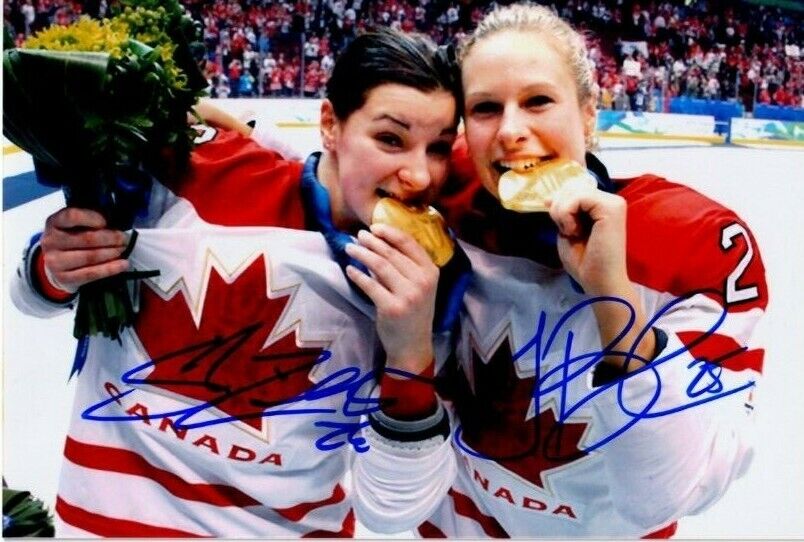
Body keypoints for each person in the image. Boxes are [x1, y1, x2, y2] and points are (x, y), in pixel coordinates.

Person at [10, 28, 463, 537]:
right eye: (390, 139)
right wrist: (53, 268)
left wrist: (409, 358)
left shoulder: (431, 283)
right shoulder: (194, 168)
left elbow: (393, 509)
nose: (420, 175)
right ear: (331, 124)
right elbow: (36, 289)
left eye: (439, 148)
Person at [351, 4, 768, 538]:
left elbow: (663, 498)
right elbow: (339, 175)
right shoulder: (439, 195)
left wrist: (612, 298)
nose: (511, 131)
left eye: (538, 101)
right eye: (484, 109)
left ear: (589, 112)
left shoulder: (693, 241)